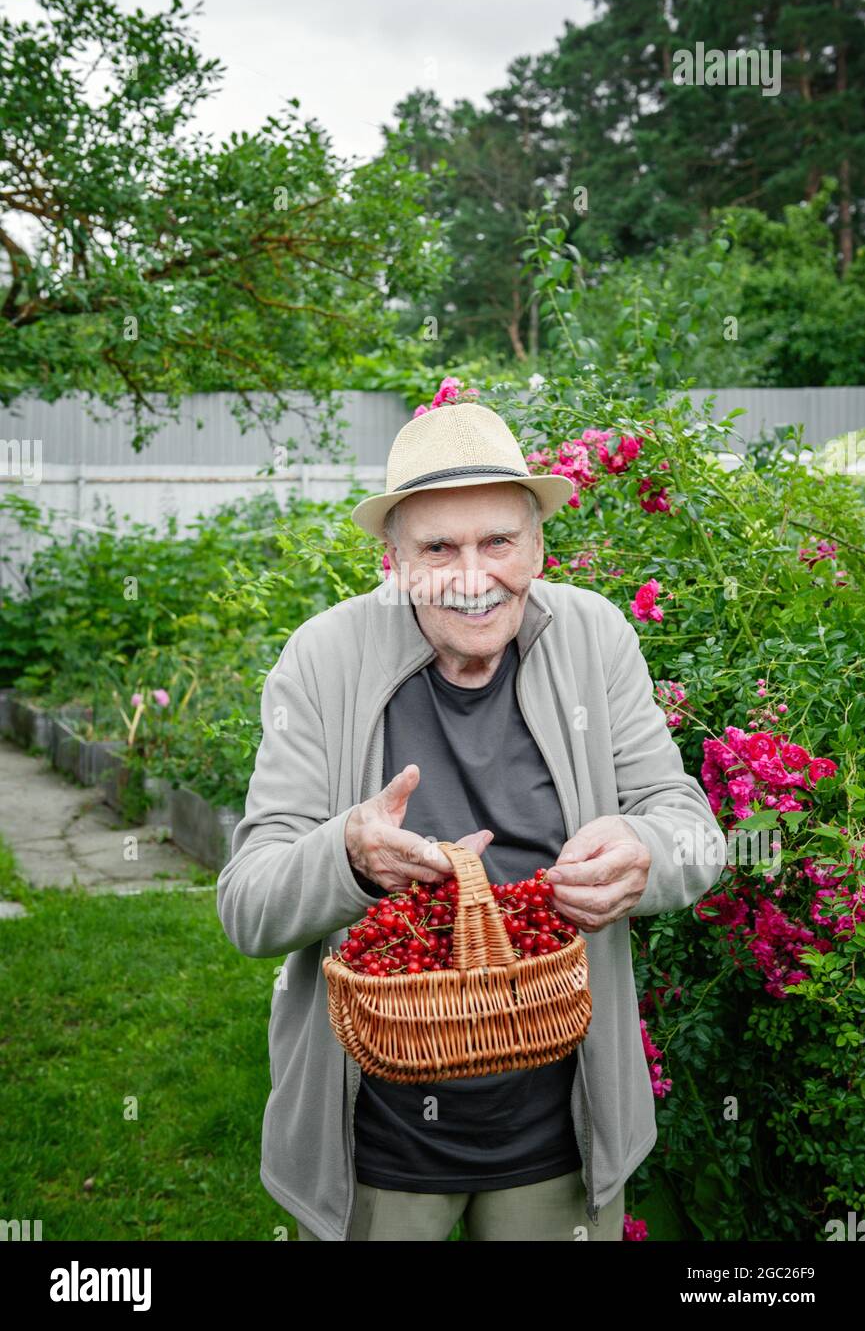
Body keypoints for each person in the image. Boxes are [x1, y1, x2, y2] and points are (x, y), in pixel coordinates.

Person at [216, 400, 728, 1241]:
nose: (470, 574)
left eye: (497, 541)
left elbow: (690, 828)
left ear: (537, 548)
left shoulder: (595, 638)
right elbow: (248, 906)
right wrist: (344, 854)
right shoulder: (323, 658)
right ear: (392, 562)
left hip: (560, 1120)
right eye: (436, 549)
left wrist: (646, 848)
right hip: (374, 1134)